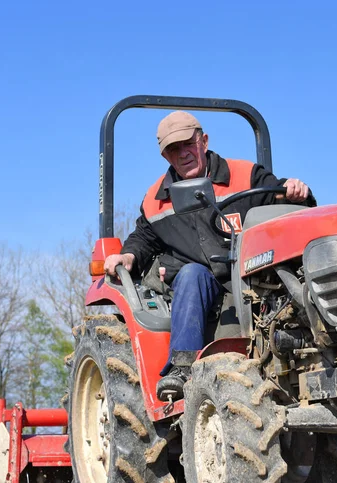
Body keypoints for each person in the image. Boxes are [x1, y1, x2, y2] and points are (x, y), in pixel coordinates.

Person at [104, 111, 316, 400]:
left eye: (187, 144)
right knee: (192, 273)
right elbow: (143, 237)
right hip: (200, 284)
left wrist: (296, 192)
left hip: (251, 275)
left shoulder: (246, 175)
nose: (182, 154)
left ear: (203, 141)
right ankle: (182, 367)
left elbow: (282, 200)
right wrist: (127, 256)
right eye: (173, 149)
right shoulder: (157, 199)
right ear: (165, 156)